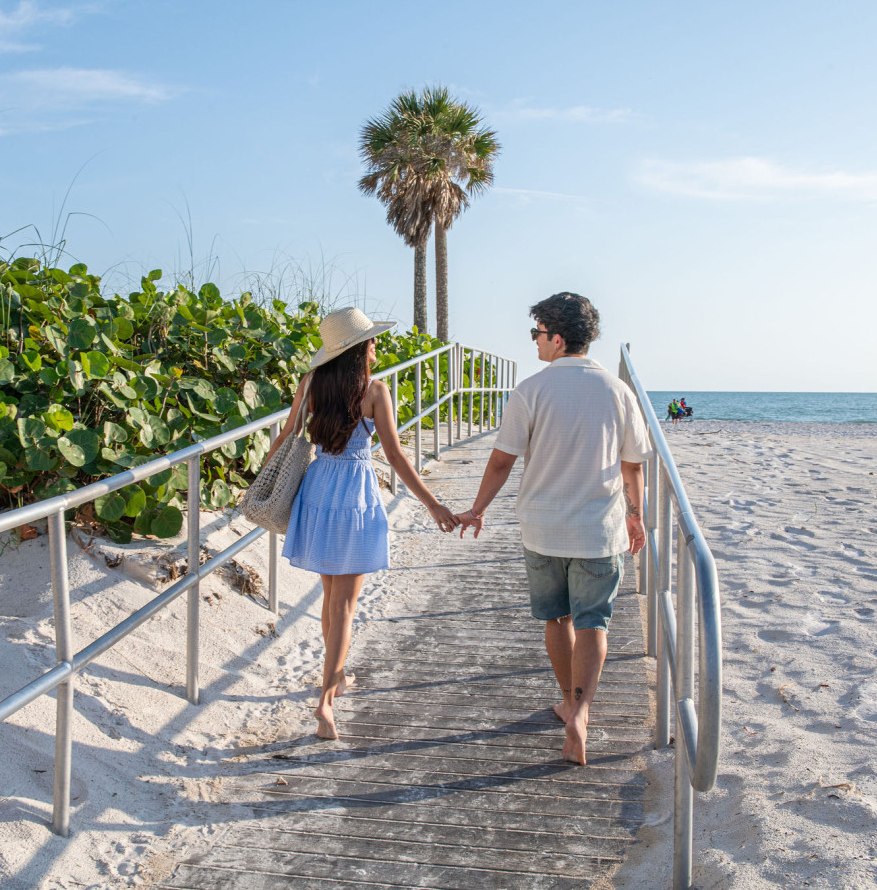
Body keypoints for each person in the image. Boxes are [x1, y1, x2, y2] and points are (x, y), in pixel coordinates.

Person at [456, 292, 650, 764]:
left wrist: (477, 509)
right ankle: (581, 712)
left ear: (557, 338)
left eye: (537, 333)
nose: (534, 342)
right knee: (593, 623)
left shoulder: (530, 391)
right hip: (599, 532)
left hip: (543, 530)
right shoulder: (618, 391)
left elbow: (501, 461)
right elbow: (632, 467)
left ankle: (566, 700)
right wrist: (635, 516)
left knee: (557, 619)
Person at [271, 307, 458, 740]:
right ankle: (325, 700)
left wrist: (261, 484)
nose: (376, 345)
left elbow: (286, 435)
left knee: (330, 597)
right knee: (344, 606)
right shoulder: (375, 391)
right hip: (354, 492)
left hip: (318, 489)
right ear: (358, 349)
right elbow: (394, 455)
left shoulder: (312, 383)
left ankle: (336, 677)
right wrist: (433, 505)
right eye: (371, 340)